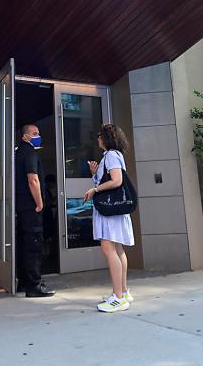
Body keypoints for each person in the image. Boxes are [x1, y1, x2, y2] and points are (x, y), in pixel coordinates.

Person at [82, 123, 135, 313]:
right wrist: (96, 175)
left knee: (108, 248)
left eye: (99, 135)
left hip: (109, 213)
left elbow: (117, 181)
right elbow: (111, 180)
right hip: (116, 211)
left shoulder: (111, 155)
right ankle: (123, 291)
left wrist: (95, 189)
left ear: (107, 138)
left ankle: (118, 297)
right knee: (118, 249)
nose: (97, 138)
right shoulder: (114, 155)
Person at [15, 124, 53, 297]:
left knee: (24, 245)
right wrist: (39, 203)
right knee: (34, 246)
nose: (38, 136)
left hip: (22, 207)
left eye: (39, 133)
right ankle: (34, 285)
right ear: (25, 137)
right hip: (31, 207)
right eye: (34, 134)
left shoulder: (18, 153)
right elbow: (33, 180)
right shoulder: (29, 152)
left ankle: (24, 282)